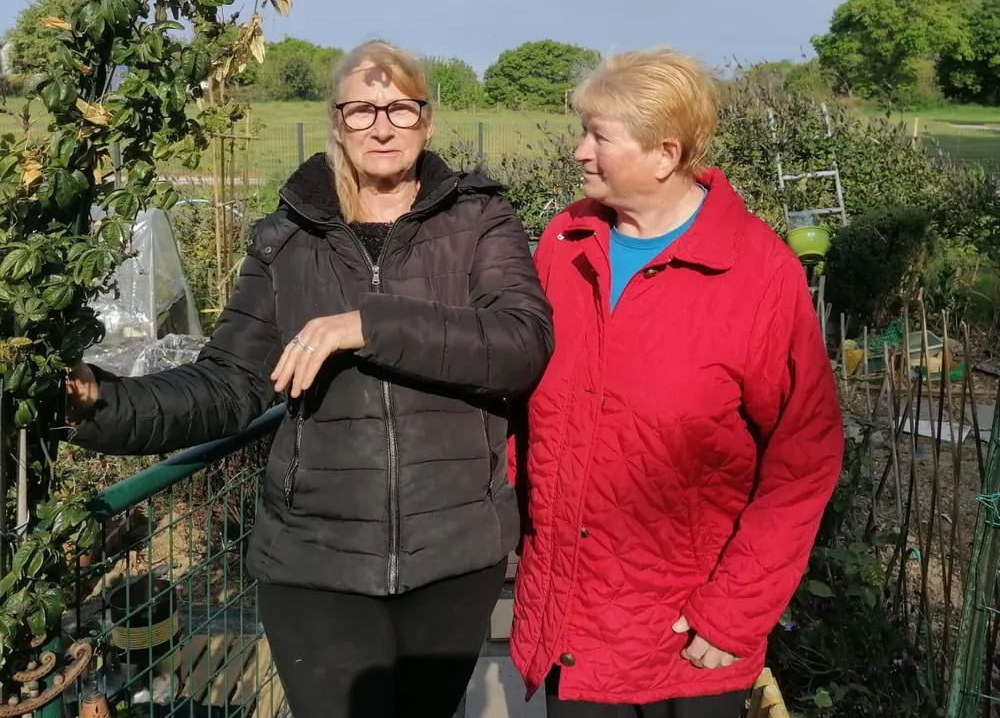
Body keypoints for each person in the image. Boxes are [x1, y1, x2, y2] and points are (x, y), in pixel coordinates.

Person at [66, 40, 554, 718]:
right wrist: (99, 402)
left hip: (452, 554)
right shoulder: (287, 239)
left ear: (427, 121)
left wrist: (366, 325)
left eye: (400, 109)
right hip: (316, 559)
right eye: (361, 110)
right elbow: (227, 385)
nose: (382, 126)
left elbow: (520, 346)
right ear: (337, 122)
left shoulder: (479, 221)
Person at [508, 49, 844, 718]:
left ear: (665, 153)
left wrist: (733, 613)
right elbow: (522, 409)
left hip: (688, 642)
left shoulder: (757, 273)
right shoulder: (565, 243)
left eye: (598, 136)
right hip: (569, 629)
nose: (579, 152)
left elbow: (804, 458)